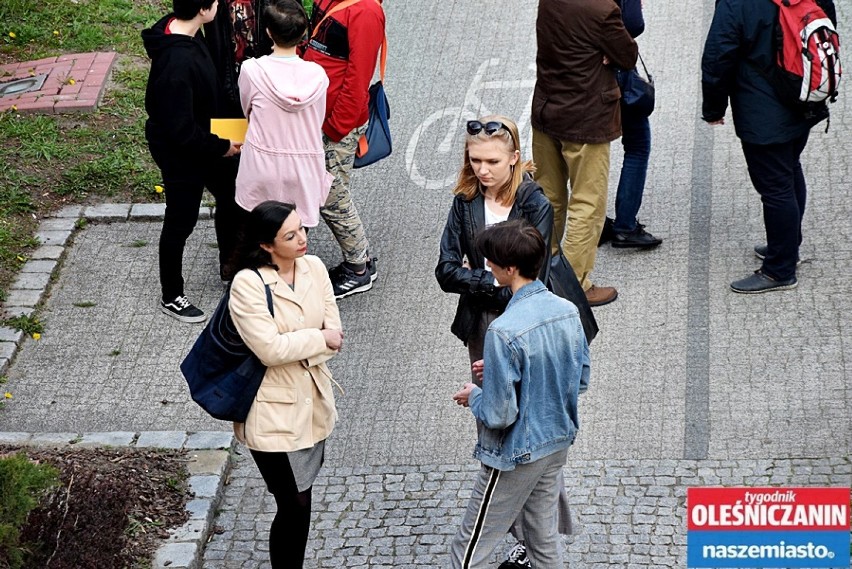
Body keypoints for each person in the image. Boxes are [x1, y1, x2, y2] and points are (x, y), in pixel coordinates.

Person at [450, 219, 590, 569]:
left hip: (516, 453)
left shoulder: (503, 330)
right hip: (557, 441)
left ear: (509, 269)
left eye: (492, 261)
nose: (488, 266)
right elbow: (580, 379)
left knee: (469, 549)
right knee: (542, 541)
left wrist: (474, 395)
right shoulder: (567, 311)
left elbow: (499, 414)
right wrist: (497, 371)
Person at [228, 201, 343, 569]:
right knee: (292, 502)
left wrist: (313, 341)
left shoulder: (314, 268)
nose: (302, 240)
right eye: (290, 236)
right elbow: (269, 350)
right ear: (266, 244)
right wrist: (318, 339)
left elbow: (335, 333)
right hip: (271, 412)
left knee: (301, 498)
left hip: (312, 404)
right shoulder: (247, 284)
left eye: (302, 230)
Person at [701, 0, 836, 293]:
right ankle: (788, 247)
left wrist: (713, 108)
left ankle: (779, 270)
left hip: (762, 109)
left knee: (775, 187)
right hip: (804, 96)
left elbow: (718, 55)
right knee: (789, 169)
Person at [531, 0, 638, 307]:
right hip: (585, 118)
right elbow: (628, 55)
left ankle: (539, 274)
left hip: (547, 110)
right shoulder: (601, 10)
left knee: (547, 198)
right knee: (587, 204)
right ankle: (574, 285)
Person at [142, 0, 242, 323]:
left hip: (203, 140)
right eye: (215, 1)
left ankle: (233, 264)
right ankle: (171, 294)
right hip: (183, 154)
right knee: (180, 221)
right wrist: (222, 146)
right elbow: (181, 131)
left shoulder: (182, 28)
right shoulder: (177, 62)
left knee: (230, 192)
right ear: (202, 8)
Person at [436, 116, 553, 378]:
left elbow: (535, 284)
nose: (482, 170)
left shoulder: (535, 205)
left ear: (514, 158)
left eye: (492, 161)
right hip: (481, 320)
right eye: (475, 160)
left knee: (530, 402)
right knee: (489, 405)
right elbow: (445, 272)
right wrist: (494, 282)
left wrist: (471, 279)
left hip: (526, 321)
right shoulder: (465, 201)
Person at [301, 0, 385, 298]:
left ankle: (358, 269)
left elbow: (358, 79)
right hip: (317, 115)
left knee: (331, 196)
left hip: (336, 124)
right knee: (320, 190)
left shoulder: (365, 12)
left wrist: (337, 127)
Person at [235, 0, 334, 228]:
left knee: (260, 235)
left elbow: (247, 108)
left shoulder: (252, 71)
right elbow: (317, 117)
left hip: (262, 164)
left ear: (269, 32)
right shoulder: (318, 75)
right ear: (303, 34)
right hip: (304, 169)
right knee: (295, 234)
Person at [600, 0, 663, 249]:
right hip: (614, 71)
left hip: (577, 71)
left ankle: (594, 222)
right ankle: (626, 225)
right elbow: (634, 23)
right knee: (637, 145)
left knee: (588, 148)